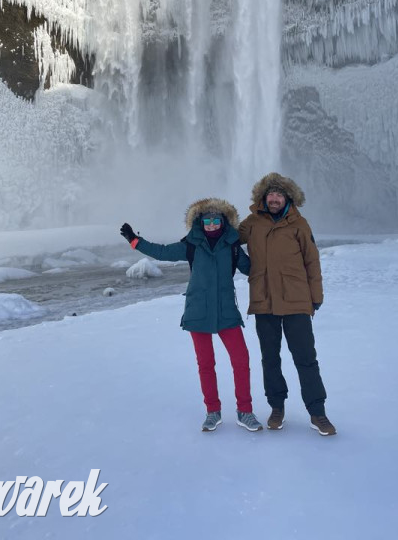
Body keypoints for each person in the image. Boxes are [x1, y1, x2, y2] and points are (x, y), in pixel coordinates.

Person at [120, 198, 263, 433]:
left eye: (216, 219)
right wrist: (135, 241)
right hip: (198, 312)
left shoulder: (233, 245)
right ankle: (212, 411)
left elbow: (252, 269)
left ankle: (245, 411)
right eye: (206, 220)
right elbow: (162, 252)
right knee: (206, 364)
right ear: (199, 222)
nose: (211, 224)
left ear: (223, 222)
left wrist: (270, 253)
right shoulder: (191, 245)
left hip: (226, 311)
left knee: (241, 360)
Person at [238, 172, 336, 436]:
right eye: (270, 194)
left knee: (306, 359)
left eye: (279, 194)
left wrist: (315, 297)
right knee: (270, 359)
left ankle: (318, 413)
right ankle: (277, 407)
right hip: (264, 302)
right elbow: (227, 240)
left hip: (296, 301)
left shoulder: (299, 225)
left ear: (288, 198)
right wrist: (208, 221)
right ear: (263, 197)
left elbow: (312, 262)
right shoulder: (252, 223)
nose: (274, 198)